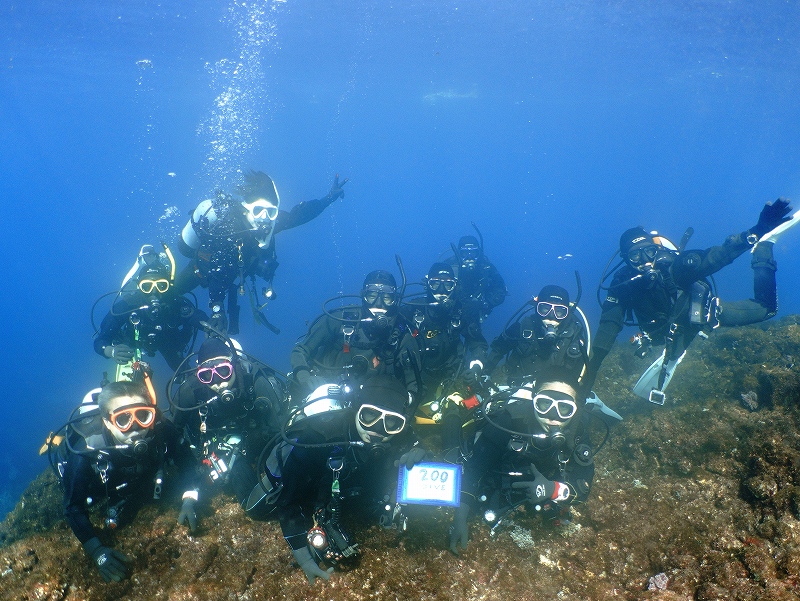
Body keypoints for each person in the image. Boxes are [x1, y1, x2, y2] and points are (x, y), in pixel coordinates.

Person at [583, 198, 796, 403]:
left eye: (649, 252)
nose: (646, 261)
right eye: (636, 257)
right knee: (665, 343)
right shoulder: (622, 286)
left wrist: (758, 231)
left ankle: (765, 247)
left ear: (656, 249)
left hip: (702, 316)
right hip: (665, 331)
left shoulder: (674, 267)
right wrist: (591, 370)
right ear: (626, 260)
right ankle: (675, 349)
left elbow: (717, 256)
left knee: (767, 309)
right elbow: (608, 327)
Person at [255, 375, 427, 584]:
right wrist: (303, 557)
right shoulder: (318, 437)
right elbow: (289, 501)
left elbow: (415, 446)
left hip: (347, 485)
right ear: (356, 409)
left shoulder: (401, 435)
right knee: (254, 509)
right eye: (370, 415)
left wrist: (421, 456)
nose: (377, 430)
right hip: (307, 482)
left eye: (391, 422)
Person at [58, 380, 199, 582]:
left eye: (143, 415)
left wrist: (189, 498)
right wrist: (96, 551)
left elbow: (187, 462)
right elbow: (73, 507)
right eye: (123, 419)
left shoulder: (160, 428)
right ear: (106, 421)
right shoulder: (85, 452)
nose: (136, 428)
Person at [175, 170, 347, 334]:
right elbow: (218, 273)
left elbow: (299, 215)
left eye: (270, 212)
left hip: (233, 272)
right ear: (246, 209)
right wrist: (218, 309)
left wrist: (328, 198)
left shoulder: (271, 224)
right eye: (258, 210)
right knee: (171, 293)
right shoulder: (231, 229)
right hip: (202, 270)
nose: (264, 217)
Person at [449, 380, 596, 556]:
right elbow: (475, 468)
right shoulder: (507, 421)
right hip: (497, 487)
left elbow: (583, 487)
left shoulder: (576, 432)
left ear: (575, 410)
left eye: (564, 408)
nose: (553, 416)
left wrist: (553, 489)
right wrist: (461, 512)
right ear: (534, 400)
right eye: (544, 404)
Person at [171, 336, 288, 516]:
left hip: (258, 436)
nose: (218, 382)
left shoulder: (257, 381)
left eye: (223, 371)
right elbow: (173, 435)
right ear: (199, 375)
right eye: (207, 376)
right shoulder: (191, 390)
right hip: (219, 444)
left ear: (235, 365)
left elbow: (280, 430)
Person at [289, 269, 421, 406]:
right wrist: (304, 376)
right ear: (363, 296)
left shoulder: (401, 336)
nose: (379, 303)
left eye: (387, 298)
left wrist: (402, 401)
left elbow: (414, 384)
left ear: (395, 300)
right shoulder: (340, 320)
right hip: (328, 398)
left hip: (374, 407)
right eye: (372, 296)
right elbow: (301, 350)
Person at [403, 263, 488, 455]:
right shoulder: (412, 310)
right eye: (436, 284)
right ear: (427, 284)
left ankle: (454, 460)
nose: (442, 291)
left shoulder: (461, 312)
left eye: (448, 285)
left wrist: (475, 368)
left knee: (454, 410)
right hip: (415, 377)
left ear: (455, 286)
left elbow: (478, 344)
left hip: (450, 377)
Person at [94, 243, 208, 374]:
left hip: (167, 342)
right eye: (147, 287)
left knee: (184, 372)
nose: (154, 292)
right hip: (133, 343)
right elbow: (100, 340)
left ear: (168, 287)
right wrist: (110, 351)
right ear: (139, 287)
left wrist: (210, 327)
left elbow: (197, 317)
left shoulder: (174, 301)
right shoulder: (128, 304)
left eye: (161, 286)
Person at [484, 284, 589, 388]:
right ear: (536, 308)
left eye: (559, 311)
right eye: (545, 309)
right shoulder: (522, 328)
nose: (551, 316)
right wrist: (482, 372)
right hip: (517, 390)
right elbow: (497, 350)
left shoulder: (574, 338)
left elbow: (579, 376)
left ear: (567, 312)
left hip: (555, 395)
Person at [444, 232, 507, 322]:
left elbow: (500, 289)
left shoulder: (487, 268)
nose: (469, 258)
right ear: (458, 254)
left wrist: (485, 304)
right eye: (464, 254)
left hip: (477, 312)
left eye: (473, 253)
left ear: (479, 253)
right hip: (450, 311)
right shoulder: (449, 266)